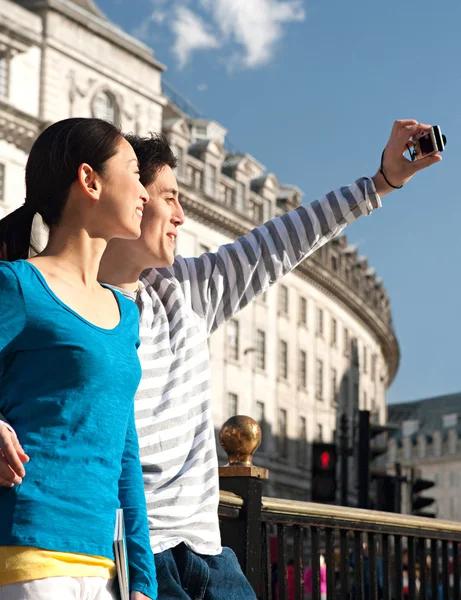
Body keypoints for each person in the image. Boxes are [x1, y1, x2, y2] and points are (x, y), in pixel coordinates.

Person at [0, 120, 442, 599]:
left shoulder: (185, 292)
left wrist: (382, 180)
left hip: (208, 549)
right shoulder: (43, 294)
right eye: (167, 196)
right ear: (128, 196)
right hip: (116, 548)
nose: (180, 215)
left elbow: (281, 241)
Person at [0, 118, 157, 600]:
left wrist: (142, 580)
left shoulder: (126, 315)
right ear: (90, 180)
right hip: (29, 550)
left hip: (105, 563)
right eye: (133, 171)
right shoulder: (18, 286)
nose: (145, 194)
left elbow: (125, 453)